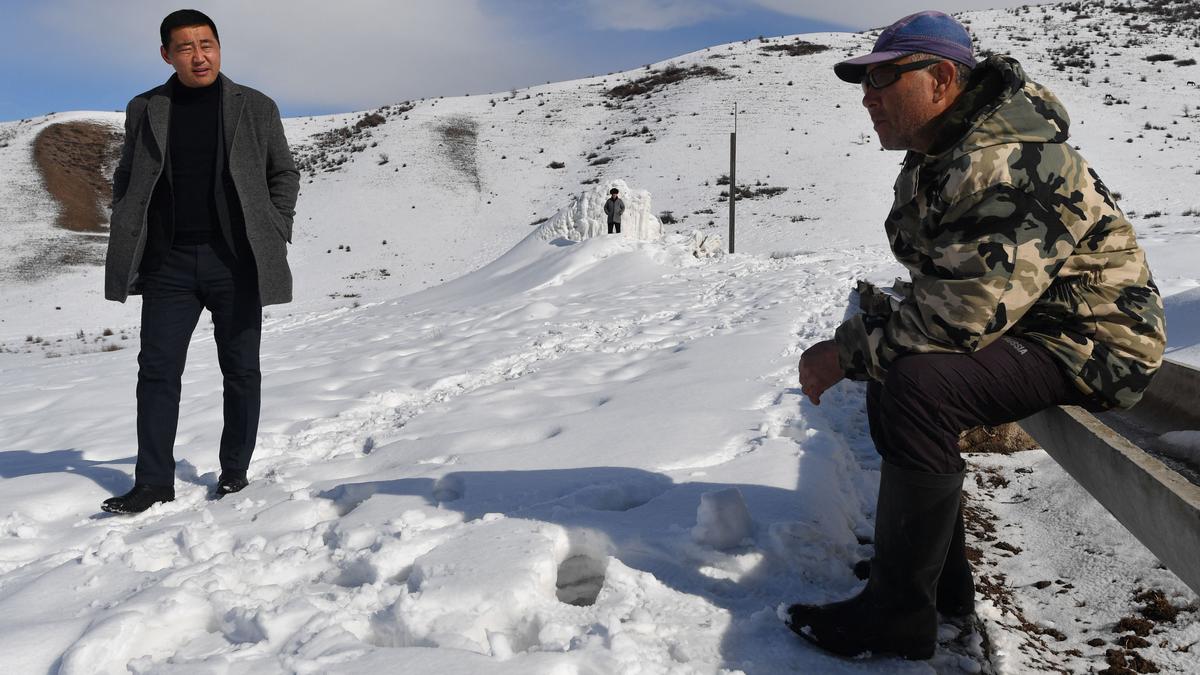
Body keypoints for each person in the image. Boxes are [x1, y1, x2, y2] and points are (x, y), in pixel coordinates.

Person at [786, 10, 1165, 660]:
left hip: (1098, 342)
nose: (868, 97)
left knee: (916, 383)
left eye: (883, 78)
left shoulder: (1006, 160)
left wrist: (844, 350)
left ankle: (901, 613)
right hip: (1032, 324)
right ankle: (929, 586)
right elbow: (950, 284)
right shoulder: (944, 155)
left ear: (940, 79)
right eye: (863, 82)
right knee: (899, 372)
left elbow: (962, 314)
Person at [102, 9, 300, 513]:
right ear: (167, 54)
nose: (199, 55)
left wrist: (276, 228)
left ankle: (234, 472)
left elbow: (284, 173)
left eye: (207, 44)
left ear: (219, 47)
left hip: (235, 260)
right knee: (157, 371)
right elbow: (127, 173)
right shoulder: (145, 107)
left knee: (240, 370)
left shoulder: (255, 106)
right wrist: (126, 214)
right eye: (186, 47)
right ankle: (153, 482)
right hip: (167, 263)